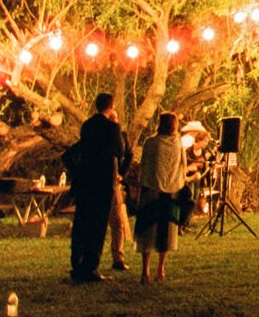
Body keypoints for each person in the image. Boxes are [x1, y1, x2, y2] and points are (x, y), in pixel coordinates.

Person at [63, 93, 130, 283]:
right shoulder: (112, 127)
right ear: (111, 106)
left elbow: (82, 147)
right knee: (98, 224)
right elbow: (120, 151)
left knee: (82, 223)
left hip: (86, 180)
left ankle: (77, 263)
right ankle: (90, 267)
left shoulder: (87, 125)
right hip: (102, 181)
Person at [135, 112, 186, 284]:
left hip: (151, 189)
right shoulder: (178, 144)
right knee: (166, 230)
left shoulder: (151, 143)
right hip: (171, 191)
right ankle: (160, 269)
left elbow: (144, 165)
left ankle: (145, 271)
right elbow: (183, 166)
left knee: (148, 230)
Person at [106, 104, 133, 271]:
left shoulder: (121, 136)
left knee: (117, 220)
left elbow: (129, 154)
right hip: (101, 180)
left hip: (114, 182)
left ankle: (118, 257)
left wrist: (121, 173)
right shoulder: (99, 135)